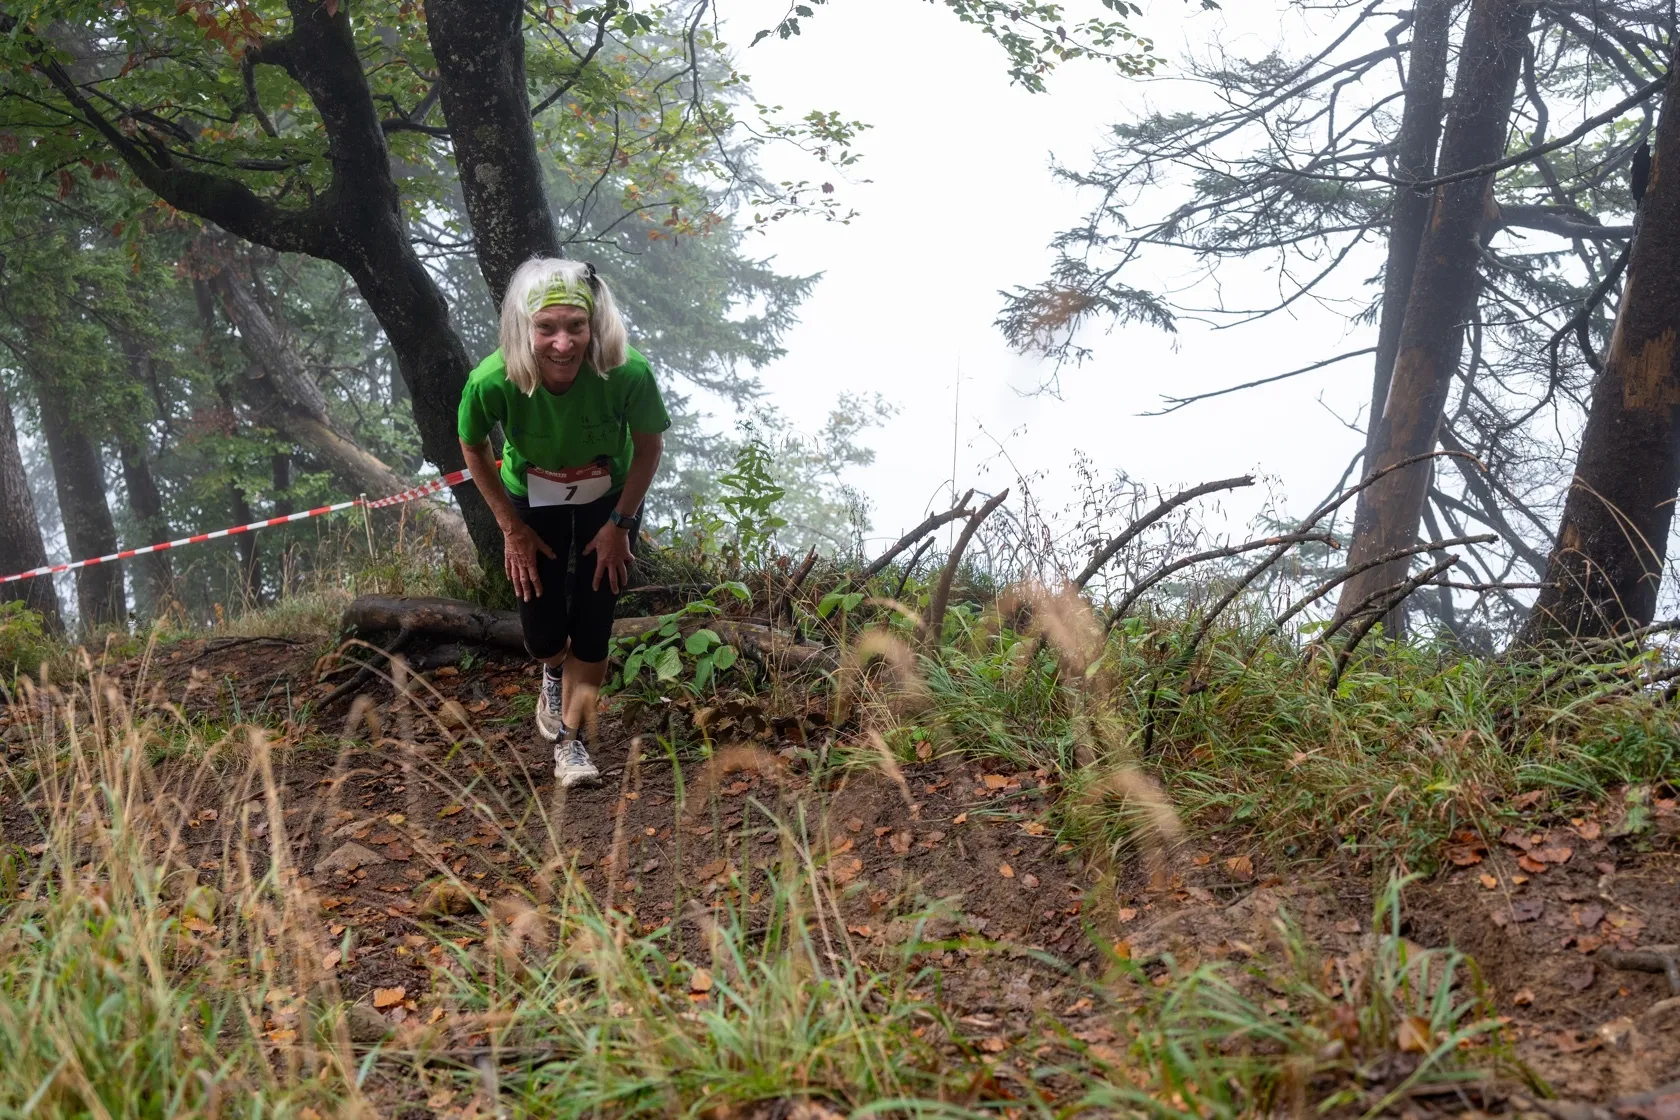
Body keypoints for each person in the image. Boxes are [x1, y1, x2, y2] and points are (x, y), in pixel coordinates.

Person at [458, 257, 668, 787]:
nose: (563, 343)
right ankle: (553, 669)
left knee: (594, 624)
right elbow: (473, 446)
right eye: (546, 327)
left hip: (609, 499)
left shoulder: (628, 372)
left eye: (576, 326)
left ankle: (572, 746)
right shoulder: (492, 379)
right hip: (531, 497)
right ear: (523, 327)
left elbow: (648, 449)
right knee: (544, 631)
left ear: (594, 325)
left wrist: (620, 525)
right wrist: (511, 529)